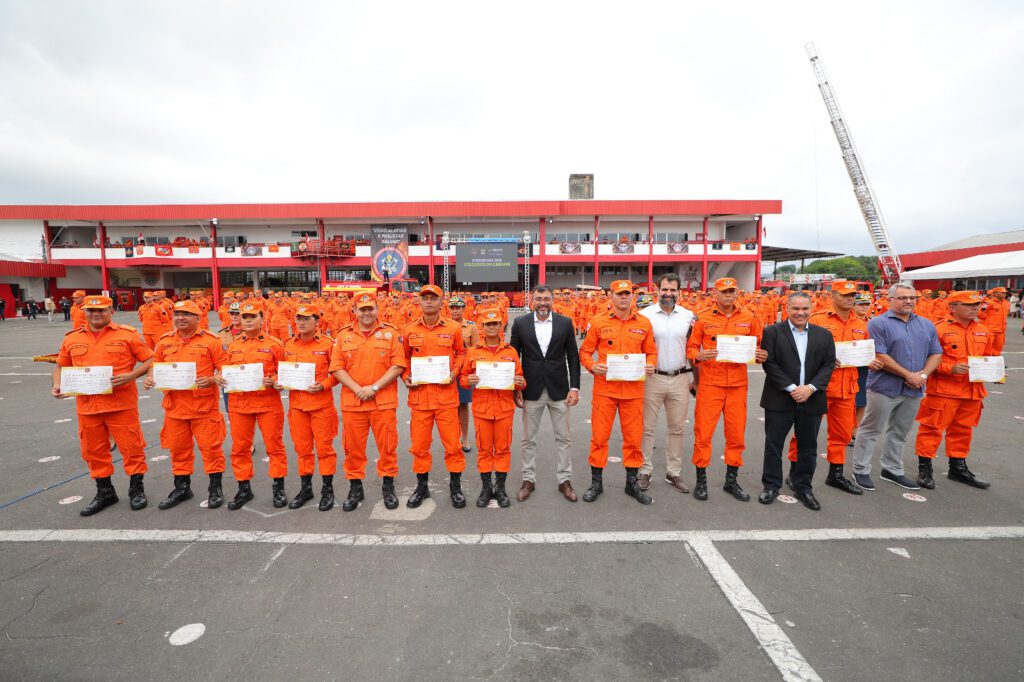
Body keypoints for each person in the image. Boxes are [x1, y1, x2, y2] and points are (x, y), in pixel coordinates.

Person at [52, 295, 153, 516]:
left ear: (111, 311)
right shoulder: (72, 338)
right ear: (84, 312)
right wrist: (57, 385)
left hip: (121, 404)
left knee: (132, 449)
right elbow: (60, 366)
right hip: (88, 407)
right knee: (94, 451)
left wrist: (131, 376)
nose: (95, 314)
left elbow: (150, 359)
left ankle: (136, 490)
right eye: (90, 311)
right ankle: (105, 492)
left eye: (101, 310)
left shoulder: (127, 335)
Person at [785, 281, 881, 494]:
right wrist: (825, 360)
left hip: (847, 388)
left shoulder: (862, 323)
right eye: (845, 295)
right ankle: (795, 473)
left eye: (852, 295)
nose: (849, 299)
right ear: (833, 295)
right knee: (805, 433)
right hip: (819, 387)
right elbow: (799, 350)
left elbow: (863, 351)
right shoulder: (817, 319)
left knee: (842, 434)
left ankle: (835, 474)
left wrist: (869, 359)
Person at [851, 283, 942, 491]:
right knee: (870, 429)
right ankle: (861, 469)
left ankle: (892, 469)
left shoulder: (926, 325)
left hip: (914, 388)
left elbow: (936, 353)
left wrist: (923, 375)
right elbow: (880, 355)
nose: (908, 301)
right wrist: (909, 375)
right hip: (885, 387)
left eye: (912, 297)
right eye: (902, 298)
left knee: (900, 431)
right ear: (890, 300)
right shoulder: (878, 323)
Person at [686, 278, 768, 502]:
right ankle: (701, 480)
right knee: (703, 434)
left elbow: (759, 346)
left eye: (732, 291)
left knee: (735, 435)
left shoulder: (749, 317)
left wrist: (761, 355)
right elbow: (691, 347)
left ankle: (731, 481)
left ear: (737, 293)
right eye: (724, 291)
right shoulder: (702, 317)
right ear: (715, 294)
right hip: (711, 383)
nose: (728, 295)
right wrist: (698, 355)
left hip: (737, 385)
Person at [143, 300, 229, 509]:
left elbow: (225, 368)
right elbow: (156, 365)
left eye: (186, 314)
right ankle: (182, 487)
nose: (180, 318)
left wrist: (211, 379)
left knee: (211, 449)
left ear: (198, 318)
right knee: (178, 449)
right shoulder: (164, 342)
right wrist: (150, 377)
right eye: (177, 314)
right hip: (175, 408)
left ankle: (215, 488)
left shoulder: (212, 341)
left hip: (203, 407)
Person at [578, 280, 657, 505]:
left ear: (633, 296)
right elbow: (585, 351)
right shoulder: (598, 321)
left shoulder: (644, 323)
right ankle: (596, 483)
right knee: (599, 438)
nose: (624, 297)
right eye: (619, 294)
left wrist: (651, 364)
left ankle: (631, 484)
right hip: (605, 390)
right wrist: (593, 366)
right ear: (611, 296)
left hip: (633, 392)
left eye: (627, 294)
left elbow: (651, 352)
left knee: (633, 440)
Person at [757, 292, 836, 511]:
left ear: (812, 309)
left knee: (808, 447)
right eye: (795, 309)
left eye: (804, 309)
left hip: (811, 398)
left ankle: (803, 486)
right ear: (787, 308)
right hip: (780, 398)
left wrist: (809, 388)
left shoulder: (824, 335)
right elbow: (769, 364)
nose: (800, 313)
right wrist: (793, 388)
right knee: (774, 445)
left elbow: (829, 364)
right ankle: (771, 485)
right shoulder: (772, 332)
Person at [330, 293, 407, 510]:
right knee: (353, 448)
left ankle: (388, 486)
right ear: (354, 311)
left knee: (388, 446)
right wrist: (358, 389)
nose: (366, 313)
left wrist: (373, 388)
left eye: (370, 308)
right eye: (362, 309)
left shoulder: (391, 334)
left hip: (383, 401)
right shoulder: (343, 336)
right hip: (354, 402)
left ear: (377, 309)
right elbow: (337, 367)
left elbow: (398, 365)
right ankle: (355, 487)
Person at [913, 291, 994, 489]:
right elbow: (924, 360)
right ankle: (925, 468)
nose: (974, 308)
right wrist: (949, 367)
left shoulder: (983, 329)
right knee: (931, 429)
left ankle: (957, 468)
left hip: (972, 391)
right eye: (968, 304)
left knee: (963, 431)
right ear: (952, 307)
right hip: (944, 391)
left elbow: (988, 357)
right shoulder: (937, 330)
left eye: (977, 304)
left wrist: (995, 372)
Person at [509, 285, 581, 502]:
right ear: (532, 300)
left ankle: (564, 480)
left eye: (546, 298)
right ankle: (528, 479)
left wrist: (574, 387)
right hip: (531, 390)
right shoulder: (520, 323)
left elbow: (573, 357)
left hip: (559, 389)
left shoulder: (565, 323)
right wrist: (516, 388)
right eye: (538, 298)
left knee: (564, 438)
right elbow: (513, 357)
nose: (542, 302)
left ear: (553, 300)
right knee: (528, 439)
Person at [402, 285, 468, 508]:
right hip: (420, 400)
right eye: (425, 298)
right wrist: (405, 376)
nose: (429, 302)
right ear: (419, 302)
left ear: (442, 302)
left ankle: (455, 487)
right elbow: (402, 360)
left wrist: (455, 371)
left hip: (446, 398)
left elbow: (461, 353)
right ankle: (422, 487)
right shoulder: (409, 330)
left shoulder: (453, 328)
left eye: (433, 298)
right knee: (419, 447)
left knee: (453, 446)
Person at [460, 308, 526, 507]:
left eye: (495, 323)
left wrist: (519, 382)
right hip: (482, 409)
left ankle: (501, 487)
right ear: (482, 327)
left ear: (500, 326)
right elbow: (463, 379)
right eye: (488, 324)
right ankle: (487, 488)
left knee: (503, 449)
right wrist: (467, 380)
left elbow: (521, 381)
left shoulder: (510, 352)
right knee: (484, 450)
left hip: (504, 408)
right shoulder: (473, 352)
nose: (491, 327)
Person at [224, 302, 287, 509]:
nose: (248, 320)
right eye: (244, 317)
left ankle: (278, 487)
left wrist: (275, 380)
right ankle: (244, 488)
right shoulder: (233, 346)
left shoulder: (275, 344)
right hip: (239, 404)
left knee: (274, 447)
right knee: (240, 449)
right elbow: (225, 371)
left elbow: (285, 373)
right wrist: (220, 377)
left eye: (252, 316)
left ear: (262, 318)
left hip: (267, 403)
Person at [278, 303, 340, 510]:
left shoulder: (328, 344)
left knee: (324, 449)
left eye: (307, 319)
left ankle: (327, 489)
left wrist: (323, 385)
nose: (302, 323)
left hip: (321, 405)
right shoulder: (288, 345)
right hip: (297, 407)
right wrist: (278, 382)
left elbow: (338, 373)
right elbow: (281, 372)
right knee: (302, 450)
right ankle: (306, 488)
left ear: (317, 321)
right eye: (299, 319)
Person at [639, 273, 695, 494]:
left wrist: (695, 380)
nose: (668, 294)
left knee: (677, 428)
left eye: (673, 290)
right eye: (665, 289)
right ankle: (645, 470)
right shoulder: (644, 315)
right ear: (657, 290)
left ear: (679, 292)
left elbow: (692, 348)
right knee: (647, 428)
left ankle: (674, 472)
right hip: (652, 378)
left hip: (680, 377)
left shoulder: (690, 317)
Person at [448, 296, 480, 454]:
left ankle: (465, 437)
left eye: (458, 308)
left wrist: (464, 346)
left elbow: (476, 349)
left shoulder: (471, 327)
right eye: (452, 308)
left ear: (463, 309)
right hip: (446, 370)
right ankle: (454, 437)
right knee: (448, 406)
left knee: (463, 405)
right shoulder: (443, 325)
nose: (455, 311)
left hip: (464, 371)